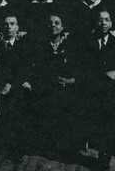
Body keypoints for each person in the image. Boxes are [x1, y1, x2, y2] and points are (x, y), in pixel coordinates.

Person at [78, 9, 115, 171]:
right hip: (91, 85)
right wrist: (105, 75)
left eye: (107, 20)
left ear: (111, 23)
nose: (104, 23)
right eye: (100, 20)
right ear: (95, 22)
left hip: (110, 89)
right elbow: (83, 66)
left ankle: (105, 155)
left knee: (109, 110)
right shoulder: (86, 41)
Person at [30, 14, 80, 153]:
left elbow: (77, 69)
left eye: (57, 23)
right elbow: (37, 69)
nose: (53, 26)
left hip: (67, 85)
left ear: (62, 27)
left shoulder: (70, 46)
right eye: (50, 23)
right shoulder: (40, 46)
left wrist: (70, 80)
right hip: (47, 85)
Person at [0, 14, 32, 161]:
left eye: (12, 24)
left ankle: (16, 148)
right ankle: (0, 147)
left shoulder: (24, 47)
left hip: (17, 84)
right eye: (6, 24)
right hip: (0, 86)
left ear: (17, 28)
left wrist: (11, 84)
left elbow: (25, 69)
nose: (9, 27)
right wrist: (0, 86)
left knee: (17, 103)